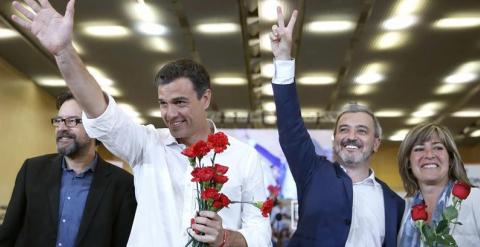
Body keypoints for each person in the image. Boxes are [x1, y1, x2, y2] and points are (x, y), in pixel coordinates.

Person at [10, 0, 271, 246]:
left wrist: (225, 237)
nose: (169, 114)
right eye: (162, 103)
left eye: (180, 102)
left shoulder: (243, 157)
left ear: (205, 98)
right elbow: (102, 113)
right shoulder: (147, 145)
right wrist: (64, 52)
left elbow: (260, 233)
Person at [269, 7, 405, 246]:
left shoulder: (394, 203)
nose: (351, 136)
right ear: (334, 139)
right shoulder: (313, 173)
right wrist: (282, 59)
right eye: (343, 129)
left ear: (376, 143)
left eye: (362, 131)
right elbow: (291, 129)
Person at [0, 91, 136, 247]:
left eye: (72, 121)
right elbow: (7, 234)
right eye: (59, 120)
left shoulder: (122, 185)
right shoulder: (32, 171)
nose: (61, 128)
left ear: (94, 127)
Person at [397, 123, 480, 246]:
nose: (429, 155)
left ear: (450, 159)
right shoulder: (403, 211)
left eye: (438, 148)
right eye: (419, 149)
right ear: (408, 162)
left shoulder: (476, 200)